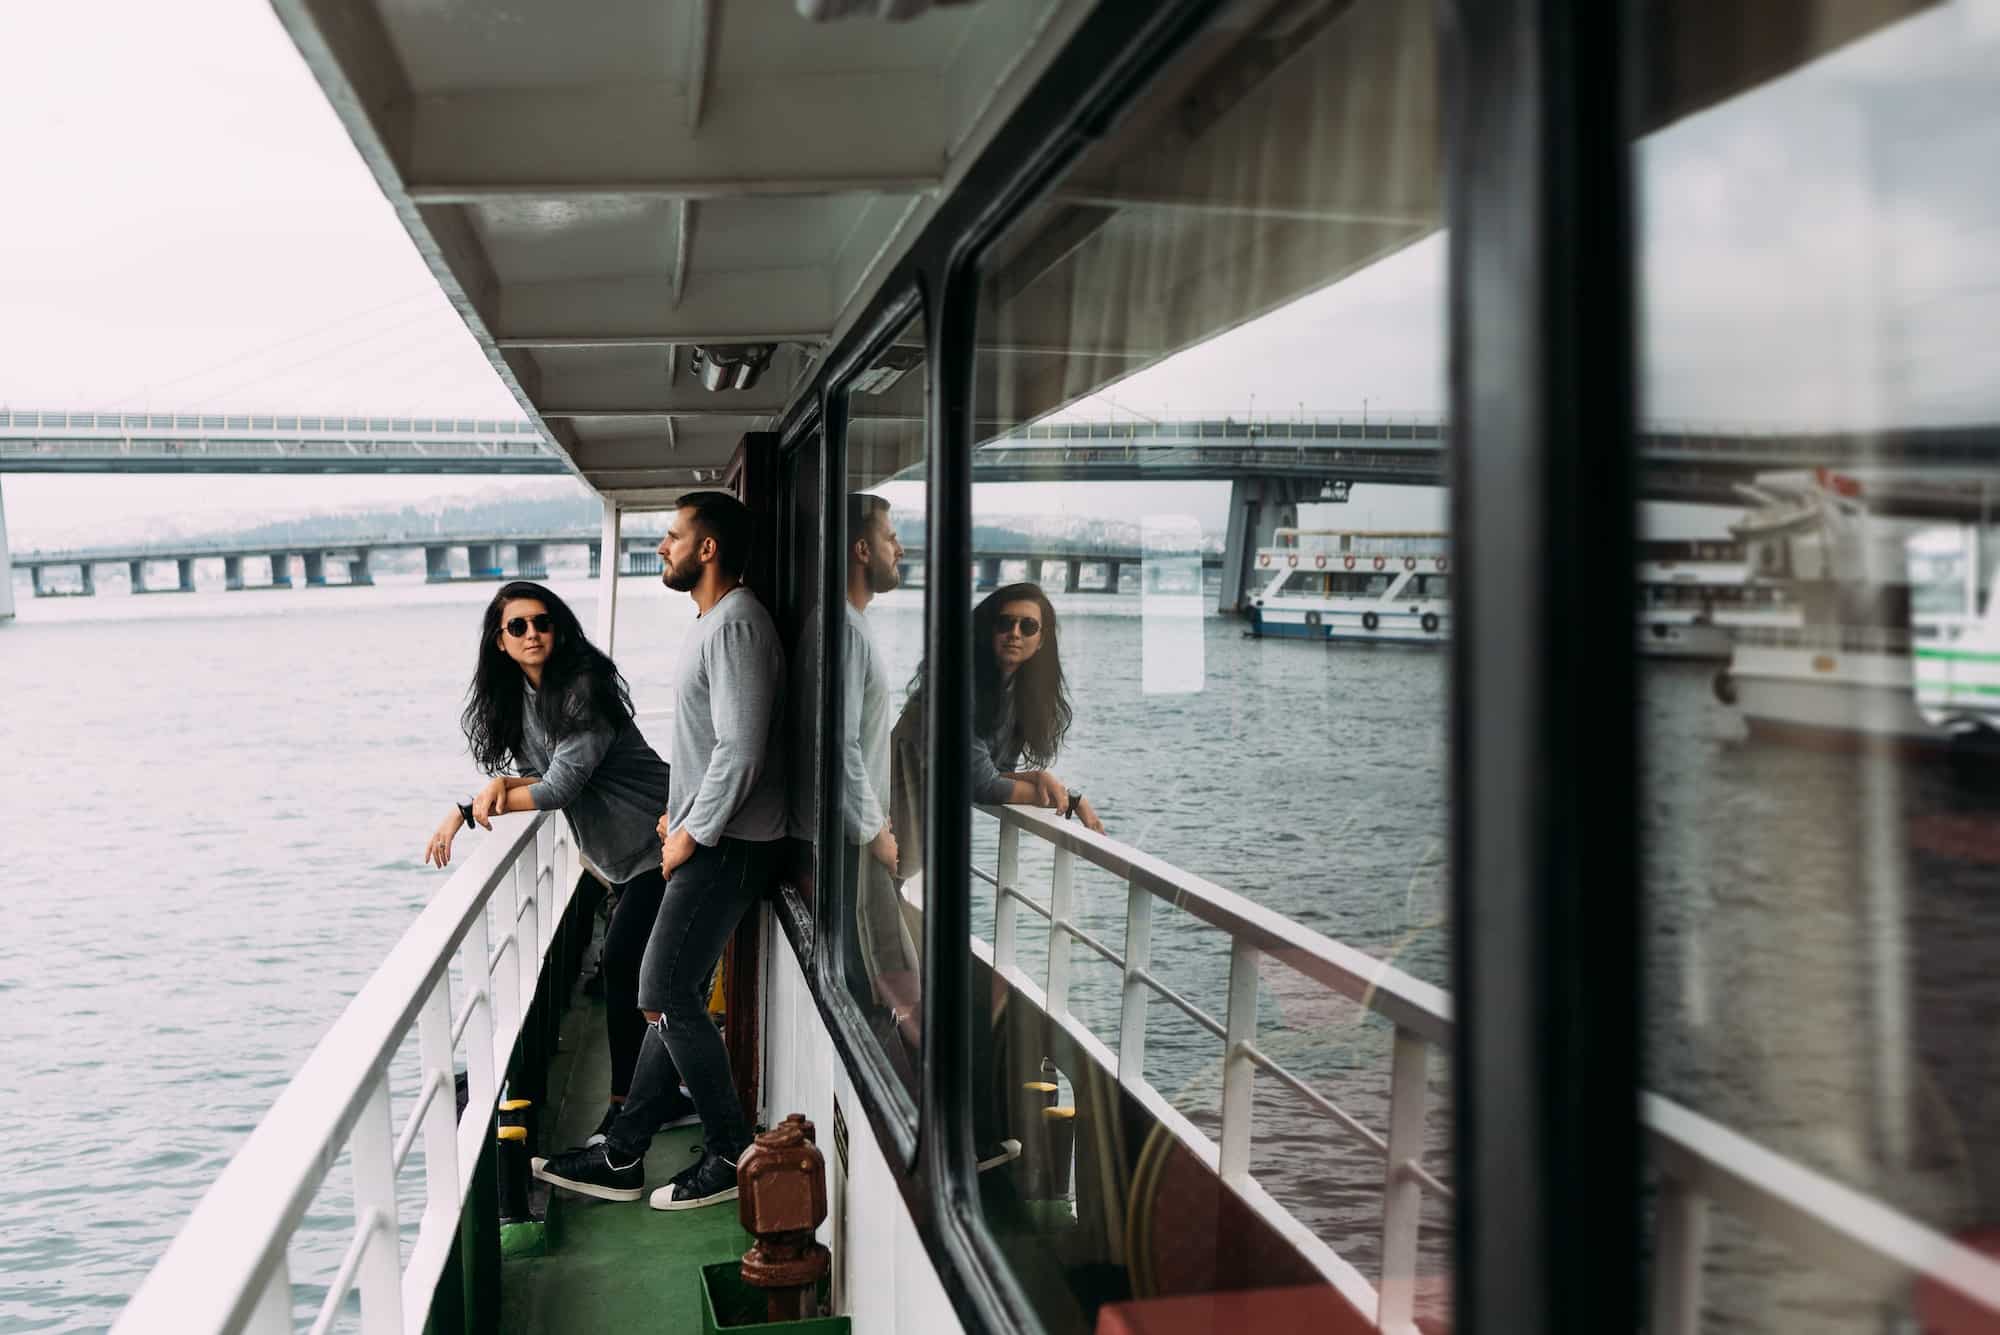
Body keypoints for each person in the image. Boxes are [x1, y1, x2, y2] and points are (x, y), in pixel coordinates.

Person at [534, 491, 787, 1211]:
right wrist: (682, 806)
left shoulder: (737, 624)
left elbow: (742, 748)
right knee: (668, 998)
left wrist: (689, 832)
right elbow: (713, 748)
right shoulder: (715, 622)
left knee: (662, 991)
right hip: (715, 832)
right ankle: (622, 1154)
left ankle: (729, 1150)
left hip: (730, 843)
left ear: (707, 549)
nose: (663, 546)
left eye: (674, 536)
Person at [421, 582, 690, 1148]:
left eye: (541, 622)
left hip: (665, 836)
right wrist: (499, 782)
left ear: (558, 628)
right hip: (621, 859)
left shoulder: (582, 690)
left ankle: (626, 1108)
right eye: (517, 627)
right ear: (500, 642)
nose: (532, 634)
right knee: (641, 972)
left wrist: (467, 810)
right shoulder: (520, 700)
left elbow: (561, 786)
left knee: (624, 964)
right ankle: (662, 1096)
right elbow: (537, 774)